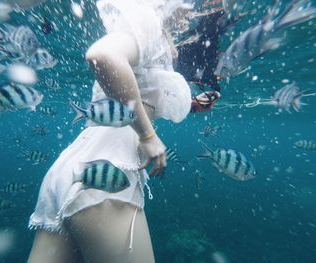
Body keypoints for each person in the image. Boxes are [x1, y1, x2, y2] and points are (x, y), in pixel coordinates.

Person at [26, 0, 208, 262]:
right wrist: (149, 136)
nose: (192, 9)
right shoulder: (146, 23)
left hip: (74, 170)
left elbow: (131, 90)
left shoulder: (147, 35)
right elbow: (102, 56)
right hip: (106, 176)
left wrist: (189, 105)